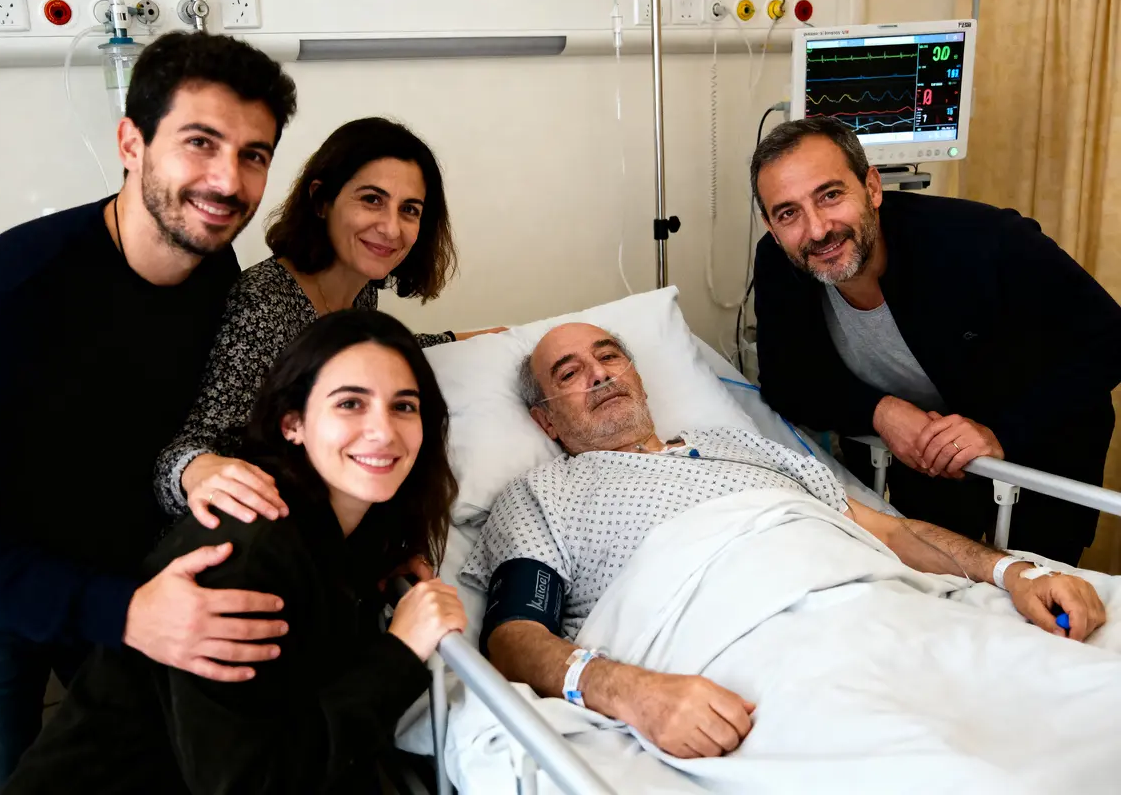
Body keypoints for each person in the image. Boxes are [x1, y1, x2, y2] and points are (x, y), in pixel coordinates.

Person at [0, 32, 298, 794]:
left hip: (106, 562)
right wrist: (128, 613)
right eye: (200, 142)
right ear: (132, 143)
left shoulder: (213, 270)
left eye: (253, 154)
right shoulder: (6, 296)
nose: (227, 181)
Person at [459, 322, 1107, 760]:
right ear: (545, 420)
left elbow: (890, 529)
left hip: (886, 607)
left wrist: (1015, 572)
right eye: (569, 373)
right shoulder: (542, 493)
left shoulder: (738, 444)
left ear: (639, 375)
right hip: (751, 649)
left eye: (608, 357)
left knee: (1088, 704)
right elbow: (515, 636)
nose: (599, 374)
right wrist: (631, 691)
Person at [5, 309, 469, 794]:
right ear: (293, 423)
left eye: (404, 406)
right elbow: (247, 783)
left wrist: (369, 576)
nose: (384, 431)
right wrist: (400, 652)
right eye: (350, 403)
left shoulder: (332, 537)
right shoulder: (248, 551)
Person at [750, 116, 1121, 566]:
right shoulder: (781, 264)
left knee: (1039, 581)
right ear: (772, 227)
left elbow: (1109, 339)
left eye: (830, 195)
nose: (817, 230)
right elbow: (786, 379)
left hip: (1041, 435)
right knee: (940, 580)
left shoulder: (983, 243)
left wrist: (1003, 433)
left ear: (872, 188)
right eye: (788, 213)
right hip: (928, 448)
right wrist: (879, 411)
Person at [154, 116, 506, 531]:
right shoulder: (263, 303)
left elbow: (364, 353)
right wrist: (197, 472)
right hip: (249, 536)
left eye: (409, 210)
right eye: (372, 200)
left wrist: (460, 339)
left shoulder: (360, 290)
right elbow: (186, 452)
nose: (391, 228)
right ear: (321, 201)